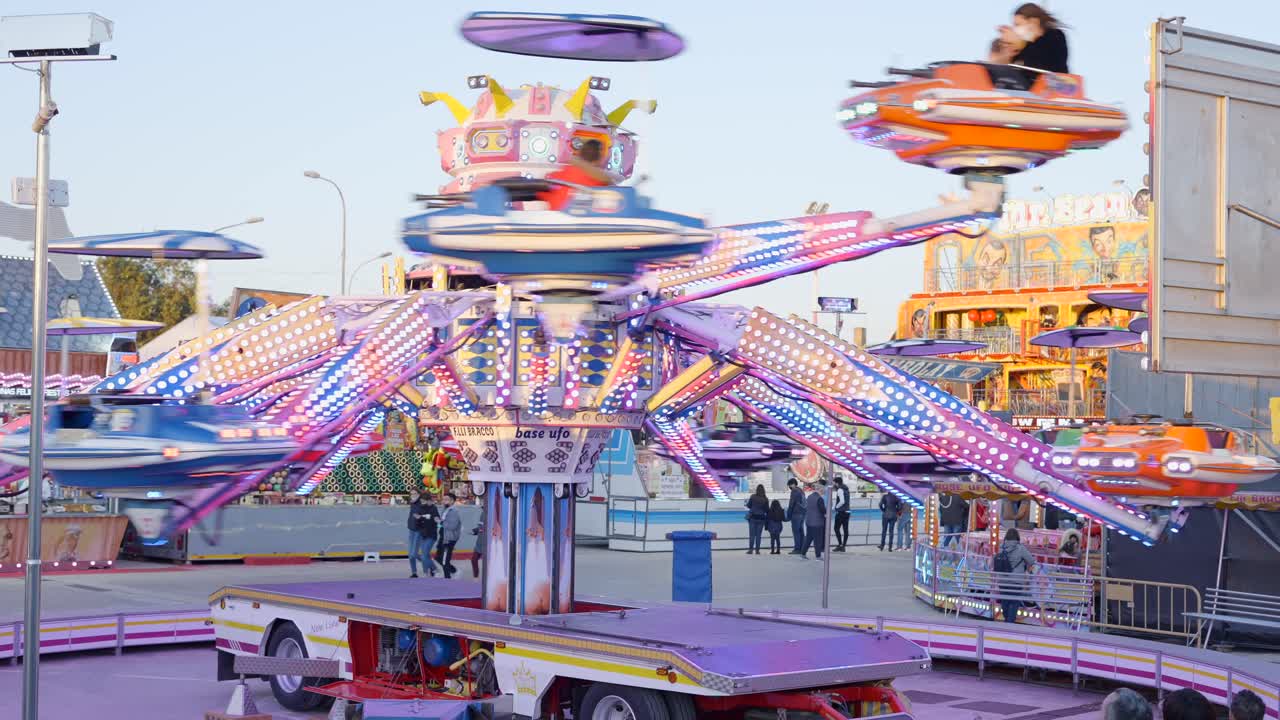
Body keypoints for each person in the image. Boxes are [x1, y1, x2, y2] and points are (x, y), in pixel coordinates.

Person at [537, 138, 610, 210]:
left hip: (557, 219)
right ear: (600, 158)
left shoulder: (555, 177)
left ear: (580, 153)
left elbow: (540, 193)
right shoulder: (603, 184)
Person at [998, 3, 1069, 74]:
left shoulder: (1055, 36)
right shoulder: (1024, 45)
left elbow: (1048, 65)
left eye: (1018, 25)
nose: (1015, 29)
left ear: (1034, 22)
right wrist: (1010, 53)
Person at [995, 528, 1036, 623]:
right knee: (1014, 603)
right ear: (1017, 537)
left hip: (1003, 581)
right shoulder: (1021, 548)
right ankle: (1009, 623)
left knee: (1005, 601)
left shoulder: (1001, 547)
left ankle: (1007, 620)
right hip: (1016, 581)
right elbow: (1031, 561)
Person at [406, 490, 434, 578]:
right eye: (411, 494)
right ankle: (414, 572)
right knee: (411, 555)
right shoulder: (412, 503)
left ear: (419, 495)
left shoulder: (422, 503)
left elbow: (426, 516)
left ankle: (431, 567)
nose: (413, 495)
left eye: (415, 493)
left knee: (415, 553)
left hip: (419, 531)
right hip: (411, 530)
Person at [799, 481, 828, 560]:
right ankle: (818, 556)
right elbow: (823, 510)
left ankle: (803, 553)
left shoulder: (809, 497)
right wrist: (827, 513)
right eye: (822, 490)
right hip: (817, 522)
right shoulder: (820, 499)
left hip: (809, 521)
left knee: (808, 538)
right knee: (817, 540)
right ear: (820, 490)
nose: (823, 491)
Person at [436, 492, 462, 579]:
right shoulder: (445, 510)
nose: (444, 501)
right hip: (443, 536)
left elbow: (452, 526)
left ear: (452, 501)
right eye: (443, 499)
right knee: (438, 558)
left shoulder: (454, 511)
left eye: (446, 499)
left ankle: (447, 578)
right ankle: (454, 571)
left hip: (449, 538)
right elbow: (443, 523)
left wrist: (441, 522)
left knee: (444, 560)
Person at [744, 484, 770, 555]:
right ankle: (757, 550)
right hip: (761, 518)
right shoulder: (765, 499)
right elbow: (767, 509)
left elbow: (749, 506)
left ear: (757, 490)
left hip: (753, 518)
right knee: (758, 535)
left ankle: (750, 550)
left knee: (752, 535)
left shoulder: (753, 497)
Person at [786, 478, 806, 554]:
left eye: (789, 485)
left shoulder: (794, 491)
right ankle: (802, 548)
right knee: (801, 531)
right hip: (802, 514)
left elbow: (791, 504)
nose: (789, 487)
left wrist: (788, 516)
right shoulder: (801, 491)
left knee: (796, 532)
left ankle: (797, 549)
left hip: (796, 514)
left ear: (793, 484)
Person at [832, 475, 851, 552]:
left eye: (834, 483)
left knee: (836, 528)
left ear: (837, 483)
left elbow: (842, 501)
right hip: (847, 511)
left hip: (841, 512)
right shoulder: (846, 489)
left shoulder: (840, 490)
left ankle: (840, 544)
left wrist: (836, 507)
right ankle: (843, 546)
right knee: (845, 529)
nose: (834, 485)